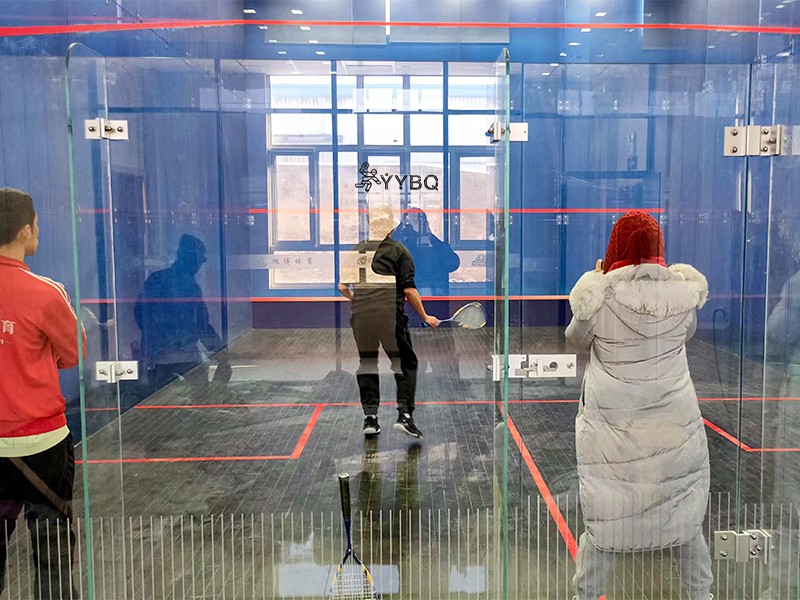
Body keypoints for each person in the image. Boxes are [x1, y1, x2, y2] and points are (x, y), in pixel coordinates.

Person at [565, 211, 713, 600]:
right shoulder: (684, 300)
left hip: (615, 433)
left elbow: (574, 339)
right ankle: (702, 595)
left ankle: (585, 596)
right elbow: (686, 333)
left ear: (615, 248)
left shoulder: (600, 300)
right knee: (683, 518)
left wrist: (597, 279)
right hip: (673, 429)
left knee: (608, 522)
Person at [0, 187, 85, 599]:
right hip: (42, 448)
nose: (39, 231)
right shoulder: (46, 292)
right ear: (24, 231)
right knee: (52, 558)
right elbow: (73, 354)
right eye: (36, 225)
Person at [338, 205, 440, 438]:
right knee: (406, 363)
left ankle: (370, 418)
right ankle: (405, 415)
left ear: (371, 225)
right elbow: (409, 290)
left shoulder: (358, 250)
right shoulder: (400, 251)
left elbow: (342, 286)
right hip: (389, 317)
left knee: (367, 362)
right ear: (392, 227)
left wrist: (358, 301)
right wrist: (425, 317)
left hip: (361, 317)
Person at [134, 234, 229, 395]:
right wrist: (219, 351)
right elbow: (201, 324)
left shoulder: (156, 279)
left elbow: (139, 314)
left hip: (159, 357)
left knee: (156, 401)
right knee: (201, 394)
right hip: (181, 356)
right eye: (200, 259)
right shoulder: (188, 286)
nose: (201, 264)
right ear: (189, 258)